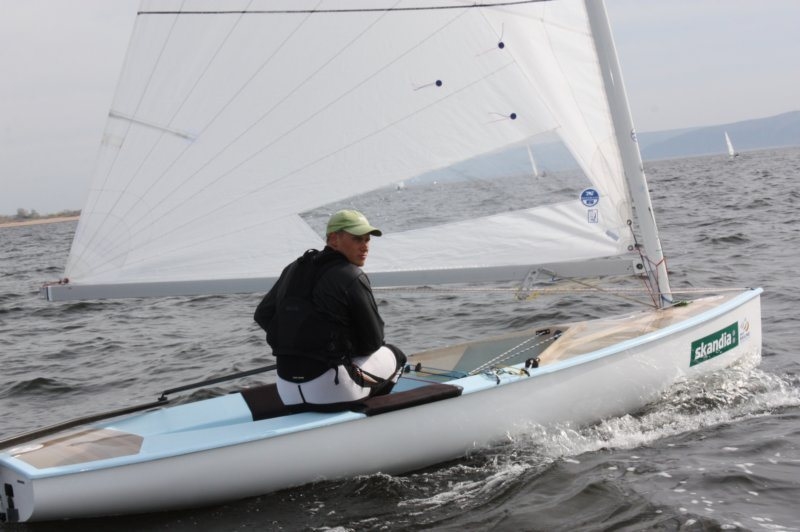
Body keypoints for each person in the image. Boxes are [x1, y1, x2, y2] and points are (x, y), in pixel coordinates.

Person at [254, 209, 406, 407]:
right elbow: (373, 342)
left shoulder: (294, 268)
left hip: (287, 390)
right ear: (334, 239)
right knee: (397, 356)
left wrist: (294, 342)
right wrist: (343, 349)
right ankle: (374, 414)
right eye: (357, 239)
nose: (365, 246)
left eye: (367, 240)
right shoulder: (351, 275)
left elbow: (263, 314)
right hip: (332, 389)